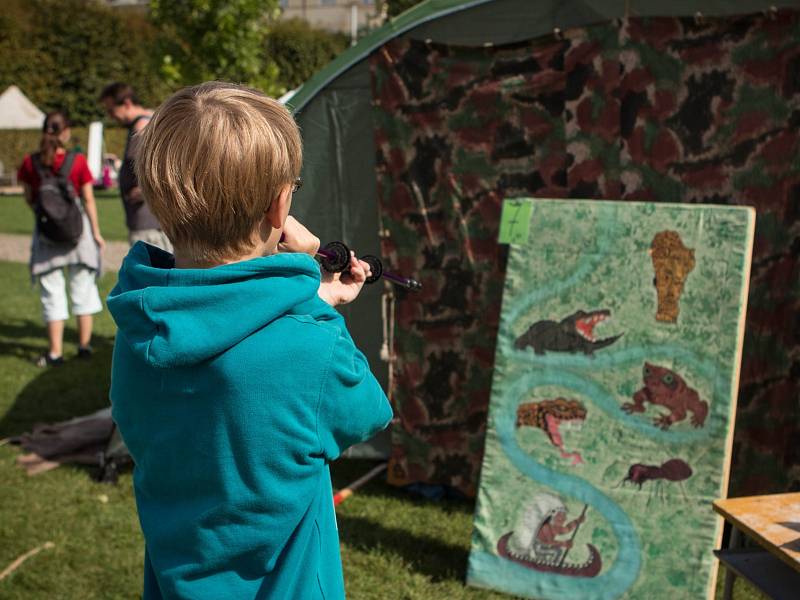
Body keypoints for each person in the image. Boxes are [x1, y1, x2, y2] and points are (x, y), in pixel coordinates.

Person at [107, 82, 393, 599]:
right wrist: (308, 293)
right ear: (280, 205)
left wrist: (307, 298)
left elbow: (226, 344)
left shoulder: (141, 327)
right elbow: (367, 410)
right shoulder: (311, 346)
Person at [17, 110, 105, 367]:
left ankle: (55, 352)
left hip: (47, 237)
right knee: (83, 289)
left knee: (52, 293)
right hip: (79, 235)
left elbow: (29, 197)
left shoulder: (30, 162)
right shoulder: (76, 161)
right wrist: (97, 232)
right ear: (65, 132)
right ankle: (84, 346)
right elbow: (88, 198)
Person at [99, 82, 172, 252]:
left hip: (148, 225)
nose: (111, 116)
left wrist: (145, 188)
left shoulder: (142, 127)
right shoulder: (147, 122)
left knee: (151, 276)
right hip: (148, 222)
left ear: (126, 103)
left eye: (111, 111)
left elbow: (166, 166)